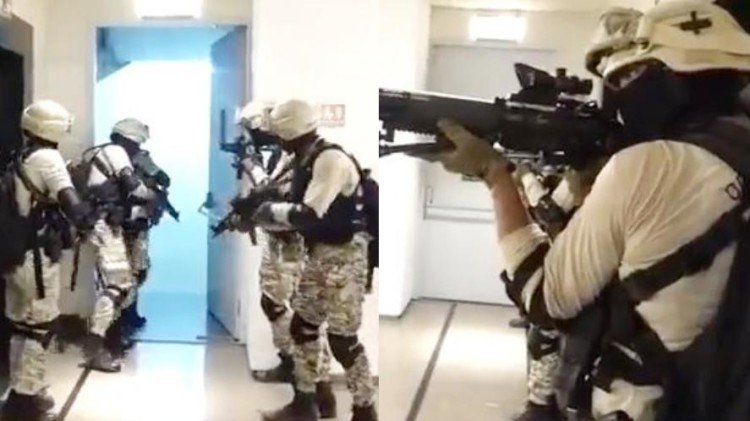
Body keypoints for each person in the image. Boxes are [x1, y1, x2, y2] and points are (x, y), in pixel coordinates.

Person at [418, 1, 750, 419]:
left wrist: (494, 173)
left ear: (677, 73)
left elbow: (544, 298)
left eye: (630, 76)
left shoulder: (649, 165)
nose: (620, 94)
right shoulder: (731, 147)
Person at [252, 99, 377, 421]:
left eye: (279, 134)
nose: (277, 141)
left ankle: (365, 409)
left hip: (345, 259)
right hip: (320, 254)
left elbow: (308, 213)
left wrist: (267, 212)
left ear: (290, 132)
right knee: (302, 327)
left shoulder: (330, 160)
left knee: (343, 341)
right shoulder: (305, 159)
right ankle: (306, 402)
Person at [233, 101, 337, 418]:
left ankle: (316, 388)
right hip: (278, 240)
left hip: (295, 244)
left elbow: (284, 197)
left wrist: (253, 171)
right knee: (274, 304)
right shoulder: (287, 155)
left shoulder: (307, 157)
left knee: (296, 316)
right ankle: (297, 371)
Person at [1, 100, 93, 420]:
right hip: (36, 259)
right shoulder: (48, 158)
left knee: (22, 326)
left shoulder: (23, 156)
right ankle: (24, 402)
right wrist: (88, 217)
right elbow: (73, 205)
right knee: (39, 327)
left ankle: (22, 390)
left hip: (17, 257)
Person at [80, 118, 155, 373]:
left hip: (105, 225)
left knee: (122, 286)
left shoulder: (108, 153)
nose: (137, 149)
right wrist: (149, 195)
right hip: (104, 226)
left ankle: (103, 340)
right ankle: (95, 346)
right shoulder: (115, 152)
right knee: (118, 285)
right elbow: (132, 185)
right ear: (125, 139)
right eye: (135, 144)